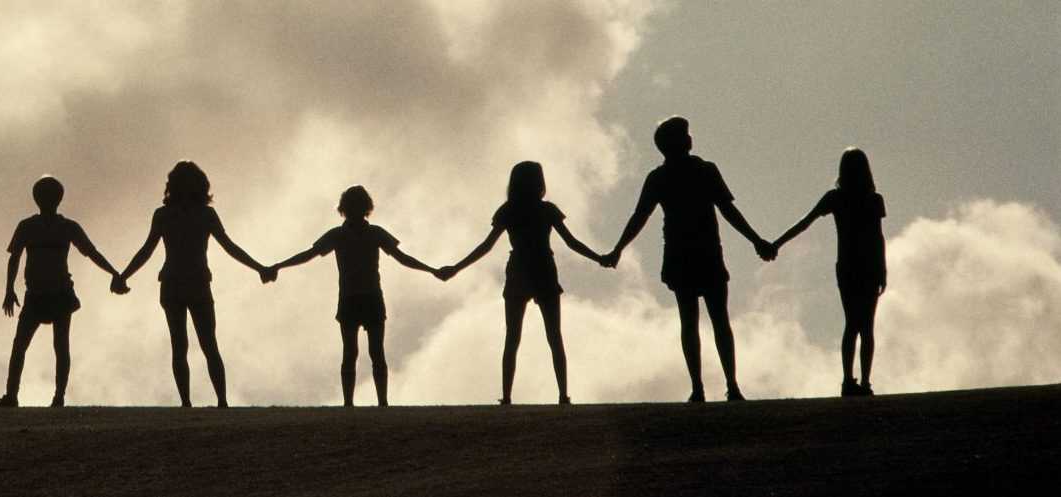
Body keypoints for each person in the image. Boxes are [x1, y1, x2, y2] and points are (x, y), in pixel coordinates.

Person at [601, 116, 773, 403]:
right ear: (683, 142)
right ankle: (730, 385)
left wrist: (618, 248)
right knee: (719, 320)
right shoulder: (704, 170)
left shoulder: (659, 177)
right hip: (705, 253)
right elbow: (728, 211)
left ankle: (699, 388)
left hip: (681, 255)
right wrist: (756, 240)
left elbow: (639, 217)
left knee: (690, 321)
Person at [441, 162, 606, 406]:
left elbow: (486, 246)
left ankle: (507, 396)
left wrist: (456, 268)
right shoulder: (547, 210)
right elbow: (571, 242)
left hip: (518, 268)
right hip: (543, 268)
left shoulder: (508, 210)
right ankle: (562, 395)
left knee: (512, 337)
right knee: (554, 336)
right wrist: (600, 258)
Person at [267, 186, 440, 407]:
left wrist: (277, 266)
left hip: (360, 298)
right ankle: (366, 402)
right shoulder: (362, 234)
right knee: (363, 352)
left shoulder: (349, 234)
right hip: (361, 298)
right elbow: (402, 258)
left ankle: (368, 402)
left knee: (362, 352)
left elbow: (308, 254)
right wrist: (433, 270)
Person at [116, 161, 268, 408]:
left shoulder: (165, 214)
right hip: (195, 282)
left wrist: (124, 276)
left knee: (182, 345)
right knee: (207, 343)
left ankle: (189, 402)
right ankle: (219, 401)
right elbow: (230, 247)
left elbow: (146, 251)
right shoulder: (203, 214)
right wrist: (260, 268)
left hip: (175, 283)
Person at [0, 176, 121, 408]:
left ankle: (48, 396)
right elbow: (15, 258)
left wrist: (113, 272)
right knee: (40, 345)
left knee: (44, 345)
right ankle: (21, 395)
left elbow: (91, 252)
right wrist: (9, 289)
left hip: (56, 293)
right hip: (41, 294)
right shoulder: (42, 226)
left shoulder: (51, 227)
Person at [770, 148, 887, 397]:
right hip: (867, 266)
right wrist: (882, 268)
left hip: (848, 266)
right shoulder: (873, 199)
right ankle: (864, 382)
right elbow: (878, 238)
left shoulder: (836, 198)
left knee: (852, 324)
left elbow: (805, 222)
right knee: (866, 326)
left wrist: (776, 244)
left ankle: (848, 380)